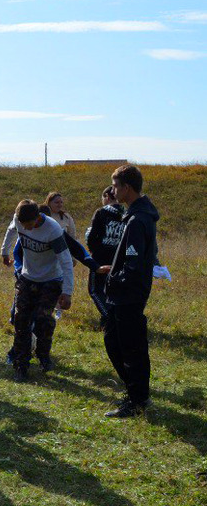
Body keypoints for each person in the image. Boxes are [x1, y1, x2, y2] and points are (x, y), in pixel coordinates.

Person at [98, 165, 159, 418]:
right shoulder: (137, 214)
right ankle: (136, 394)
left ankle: (137, 400)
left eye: (115, 186)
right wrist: (114, 270)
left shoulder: (137, 219)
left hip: (128, 294)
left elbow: (134, 264)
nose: (112, 191)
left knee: (129, 346)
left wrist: (116, 279)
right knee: (115, 341)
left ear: (127, 188)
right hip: (125, 292)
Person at [0, 199, 74, 382]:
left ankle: (43, 356)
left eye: (30, 225)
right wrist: (4, 251)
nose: (28, 229)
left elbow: (66, 261)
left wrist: (67, 292)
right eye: (24, 226)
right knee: (20, 321)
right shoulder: (19, 221)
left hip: (51, 280)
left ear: (38, 217)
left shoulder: (53, 230)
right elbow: (11, 231)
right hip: (28, 277)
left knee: (43, 320)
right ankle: (21, 365)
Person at [85, 186, 124, 326]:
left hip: (100, 258)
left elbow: (92, 236)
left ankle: (111, 319)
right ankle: (107, 320)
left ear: (107, 196)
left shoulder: (101, 212)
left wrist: (92, 250)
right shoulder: (125, 213)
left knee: (95, 290)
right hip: (117, 258)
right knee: (112, 290)